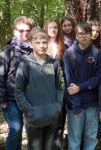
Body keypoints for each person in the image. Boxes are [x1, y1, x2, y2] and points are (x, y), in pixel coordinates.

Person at [14, 27, 63, 150]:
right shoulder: (25, 64)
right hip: (33, 119)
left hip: (51, 117)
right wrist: (29, 110)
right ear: (31, 44)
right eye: (38, 43)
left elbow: (59, 87)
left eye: (44, 42)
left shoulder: (54, 63)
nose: (42, 46)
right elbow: (18, 91)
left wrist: (57, 107)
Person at [64, 22, 101, 150]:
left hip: (92, 103)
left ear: (91, 35)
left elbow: (98, 78)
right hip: (75, 104)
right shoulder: (69, 54)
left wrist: (80, 87)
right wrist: (76, 106)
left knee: (91, 137)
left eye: (87, 33)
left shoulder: (97, 53)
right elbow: (69, 82)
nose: (84, 36)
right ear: (76, 35)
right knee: (75, 139)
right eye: (81, 34)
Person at [0, 16, 34, 150]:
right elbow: (0, 76)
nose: (24, 33)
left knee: (25, 129)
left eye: (27, 30)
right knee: (16, 129)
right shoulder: (8, 51)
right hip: (11, 99)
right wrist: (2, 98)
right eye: (21, 30)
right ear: (14, 30)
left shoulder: (32, 50)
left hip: (27, 98)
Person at [43, 19, 66, 149]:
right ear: (46, 29)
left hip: (59, 89)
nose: (53, 29)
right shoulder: (41, 45)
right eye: (50, 27)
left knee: (59, 120)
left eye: (55, 27)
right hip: (45, 89)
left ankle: (57, 146)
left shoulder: (63, 46)